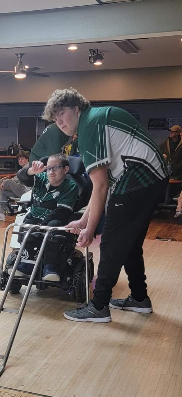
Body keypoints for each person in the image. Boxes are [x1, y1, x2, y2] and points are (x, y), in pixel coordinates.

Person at [42, 88, 168, 322]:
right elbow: (105, 184)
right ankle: (139, 299)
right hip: (151, 177)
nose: (59, 121)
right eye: (54, 117)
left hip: (141, 177)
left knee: (111, 242)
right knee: (129, 243)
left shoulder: (89, 126)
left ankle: (99, 306)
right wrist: (83, 220)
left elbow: (100, 186)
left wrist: (90, 229)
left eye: (62, 113)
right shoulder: (97, 119)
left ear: (76, 108)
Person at [12, 153, 78, 281]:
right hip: (35, 217)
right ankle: (27, 263)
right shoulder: (40, 177)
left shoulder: (70, 186)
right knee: (25, 225)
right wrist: (31, 171)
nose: (51, 172)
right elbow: (21, 176)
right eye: (48, 168)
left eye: (56, 168)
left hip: (54, 220)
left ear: (66, 169)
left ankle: (50, 266)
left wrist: (41, 226)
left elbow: (61, 211)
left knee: (51, 228)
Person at [0, 151, 31, 222]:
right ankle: (2, 214)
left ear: (27, 159)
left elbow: (15, 180)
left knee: (8, 181)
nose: (20, 160)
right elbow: (16, 179)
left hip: (25, 191)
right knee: (3, 192)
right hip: (20, 190)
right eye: (19, 159)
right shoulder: (22, 168)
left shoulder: (27, 168)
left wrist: (4, 182)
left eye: (22, 159)